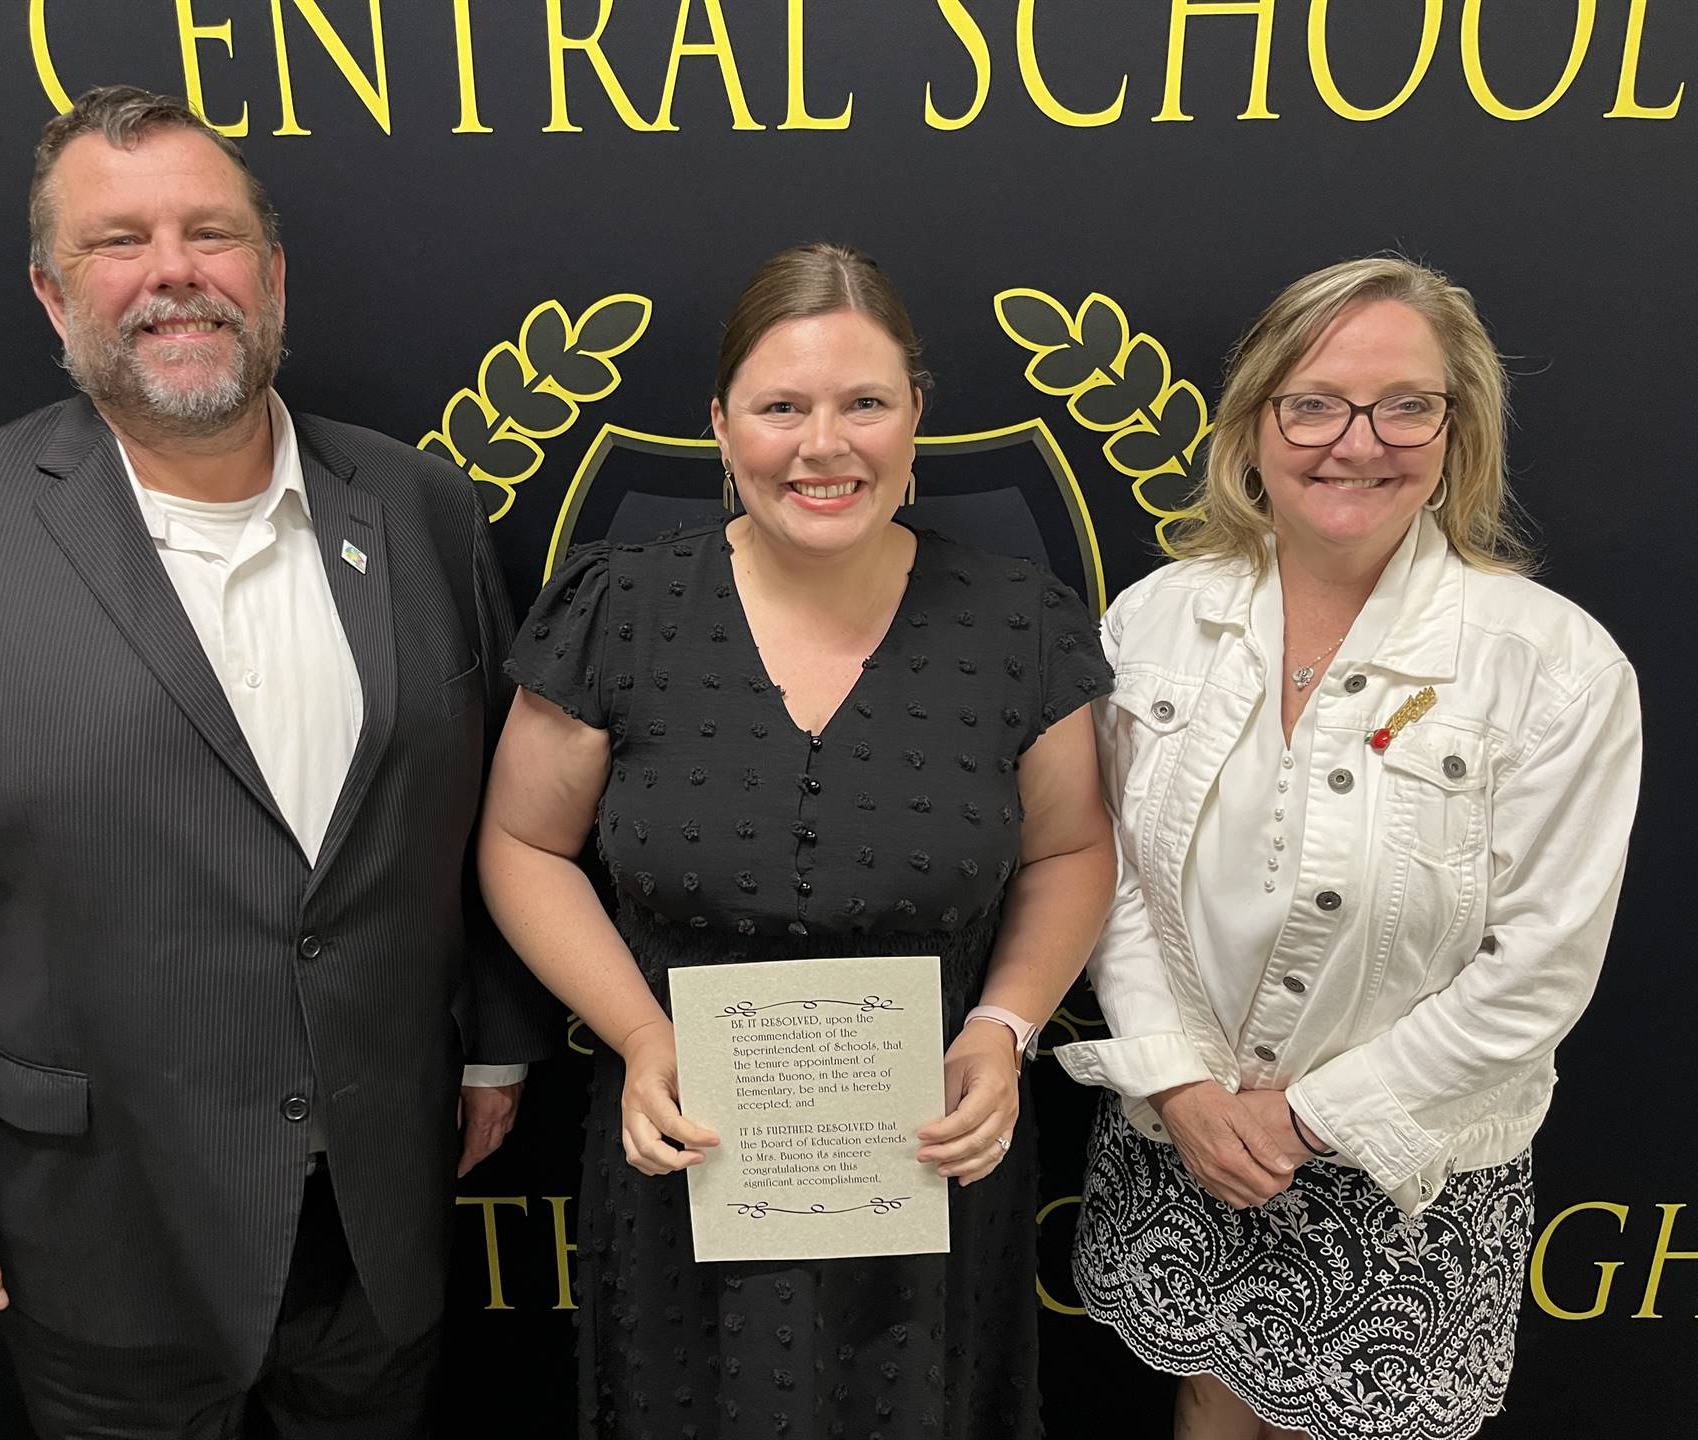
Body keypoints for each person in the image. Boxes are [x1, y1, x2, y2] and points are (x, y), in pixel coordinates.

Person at [0, 85, 558, 1439]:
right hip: (103, 1223)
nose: (173, 273)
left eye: (209, 235)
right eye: (118, 241)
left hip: (384, 1200)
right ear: (51, 292)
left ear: (269, 276)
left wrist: (497, 1049)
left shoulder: (416, 499)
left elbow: (489, 797)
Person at [477, 242, 1116, 1439]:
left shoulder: (1018, 626)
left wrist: (1005, 1024)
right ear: (723, 428)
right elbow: (522, 842)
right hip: (686, 1162)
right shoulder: (620, 610)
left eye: (864, 403)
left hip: (930, 1170)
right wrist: (637, 1032)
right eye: (782, 407)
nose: (823, 445)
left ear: (915, 417)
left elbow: (1073, 851)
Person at [1056, 256, 1642, 1440]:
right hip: (1192, 1138)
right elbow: (1100, 870)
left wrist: (1306, 1116)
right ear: (1256, 425)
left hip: (1406, 1167)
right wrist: (1178, 1082)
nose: (1357, 442)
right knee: (1212, 1408)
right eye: (1313, 403)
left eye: (1406, 405)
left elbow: (1539, 970)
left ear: (1457, 429)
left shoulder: (1556, 663)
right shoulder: (1155, 617)